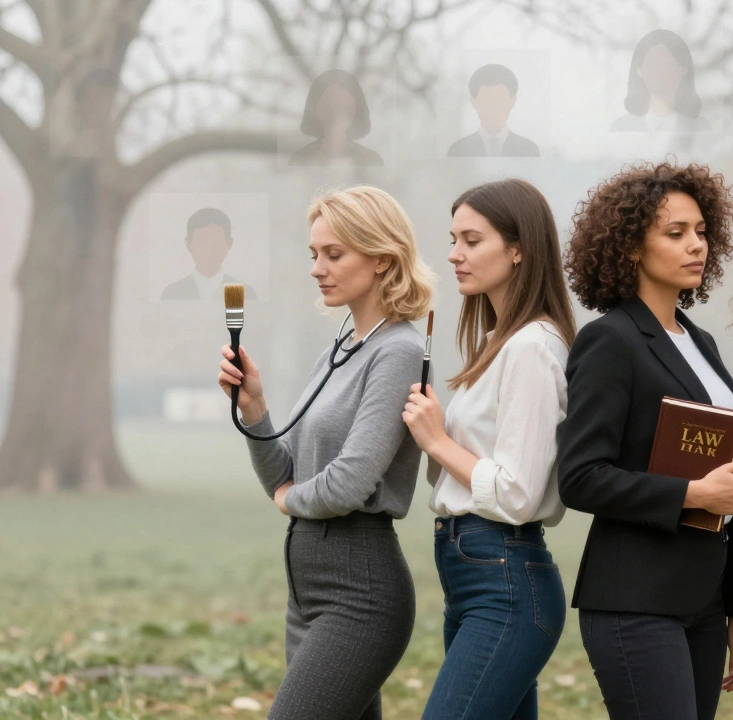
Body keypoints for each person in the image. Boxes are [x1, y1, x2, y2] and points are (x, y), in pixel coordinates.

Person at [216, 186, 435, 719]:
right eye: (315, 254)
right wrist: (254, 407)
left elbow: (349, 482)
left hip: (360, 594)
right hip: (307, 596)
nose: (317, 268)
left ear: (381, 258)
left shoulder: (399, 352)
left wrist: (289, 501)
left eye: (334, 254)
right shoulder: (339, 349)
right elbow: (284, 475)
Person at [557, 161, 733, 720]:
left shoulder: (701, 342)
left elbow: (732, 477)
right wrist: (691, 494)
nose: (696, 245)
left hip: (704, 602)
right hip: (634, 599)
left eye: (701, 231)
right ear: (629, 249)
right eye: (675, 233)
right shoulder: (609, 340)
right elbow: (580, 477)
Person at [403, 179, 575, 719]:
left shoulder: (532, 349)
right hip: (471, 575)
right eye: (454, 240)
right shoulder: (497, 343)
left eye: (472, 241)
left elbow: (517, 494)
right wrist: (431, 435)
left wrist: (437, 440)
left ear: (518, 248)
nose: (455, 254)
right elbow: (459, 475)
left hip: (505, 580)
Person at [611, 30, 713, 132]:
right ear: (639, 71)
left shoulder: (702, 128)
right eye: (653, 63)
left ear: (683, 70)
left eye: (666, 63)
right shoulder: (621, 128)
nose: (659, 70)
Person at [289, 69, 385, 166]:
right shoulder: (300, 160)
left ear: (357, 110)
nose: (337, 115)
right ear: (314, 109)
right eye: (329, 107)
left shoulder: (371, 161)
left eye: (343, 108)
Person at [161, 208, 257, 301]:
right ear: (188, 244)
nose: (209, 248)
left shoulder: (242, 293)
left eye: (216, 241)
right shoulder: (173, 294)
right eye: (202, 241)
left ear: (229, 244)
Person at [447, 64, 540, 157]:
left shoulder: (529, 150)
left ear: (513, 101)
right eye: (486, 100)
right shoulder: (458, 150)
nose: (493, 107)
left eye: (500, 99)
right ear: (473, 101)